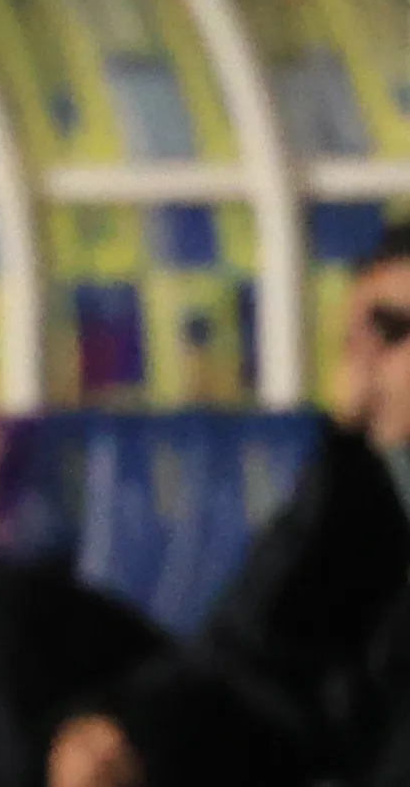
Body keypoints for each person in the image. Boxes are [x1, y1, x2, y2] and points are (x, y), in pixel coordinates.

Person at [46, 223, 410, 787]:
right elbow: (251, 650)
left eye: (388, 330)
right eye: (352, 335)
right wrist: (124, 730)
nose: (359, 363)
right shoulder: (358, 491)